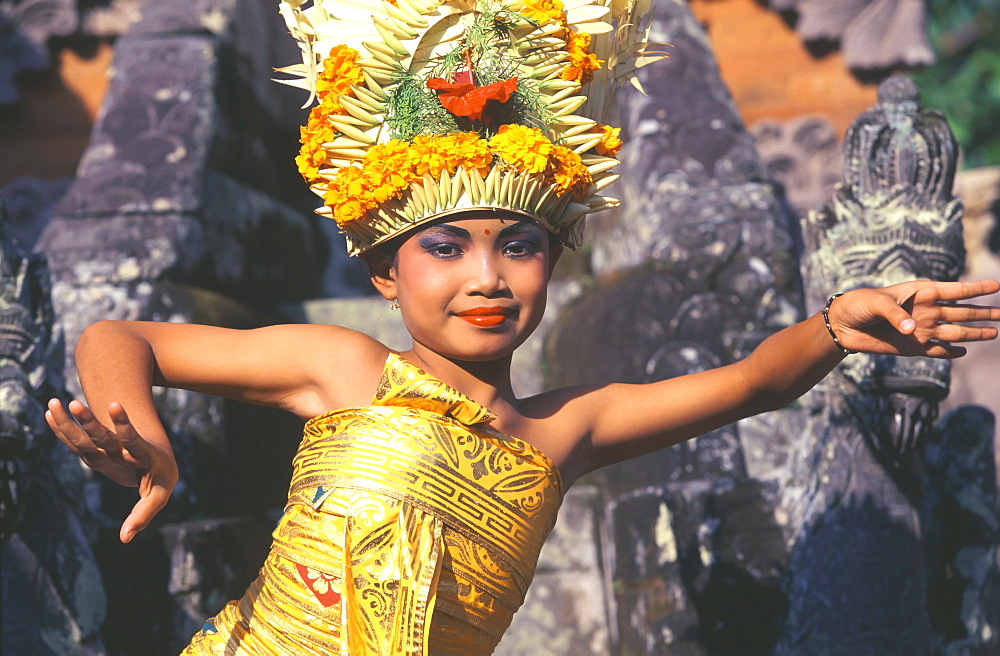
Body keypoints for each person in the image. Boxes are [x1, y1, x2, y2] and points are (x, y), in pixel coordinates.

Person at [45, 0, 1000, 653]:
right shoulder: (345, 371)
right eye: (447, 248)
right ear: (384, 271)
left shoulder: (562, 435)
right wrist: (139, 431)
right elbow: (117, 340)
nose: (488, 277)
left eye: (520, 245)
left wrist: (838, 321)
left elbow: (751, 382)